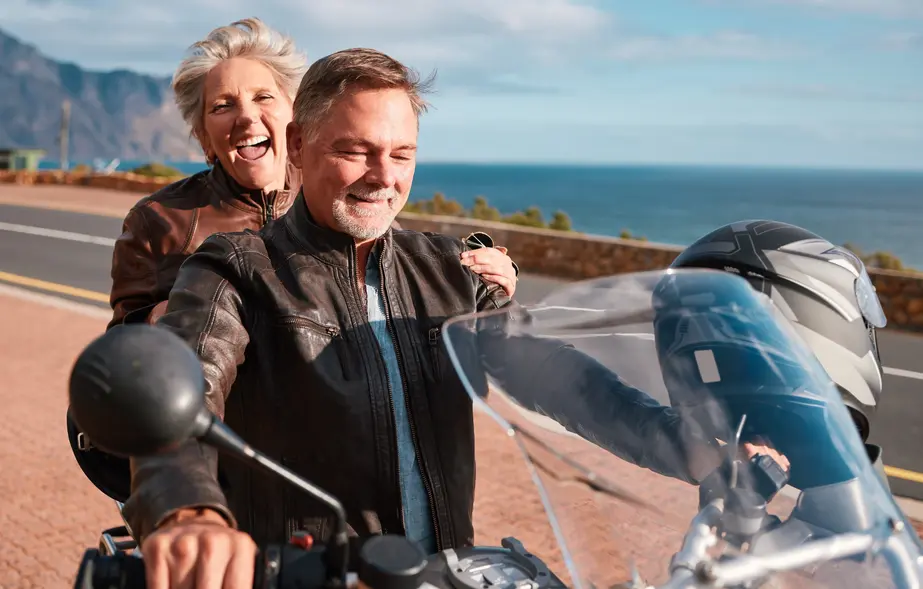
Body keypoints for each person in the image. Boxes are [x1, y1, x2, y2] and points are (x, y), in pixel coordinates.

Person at [121, 47, 783, 589]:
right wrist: (189, 511)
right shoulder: (236, 266)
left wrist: (691, 447)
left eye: (401, 154)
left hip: (443, 574)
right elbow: (179, 401)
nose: (382, 175)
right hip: (304, 574)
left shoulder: (451, 270)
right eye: (356, 150)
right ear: (298, 143)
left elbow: (559, 378)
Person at [107, 18, 518, 331]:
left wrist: (485, 278)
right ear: (203, 137)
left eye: (263, 97)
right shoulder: (159, 220)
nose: (247, 116)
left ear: (294, 119)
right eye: (222, 106)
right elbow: (120, 353)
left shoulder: (339, 195)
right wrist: (186, 310)